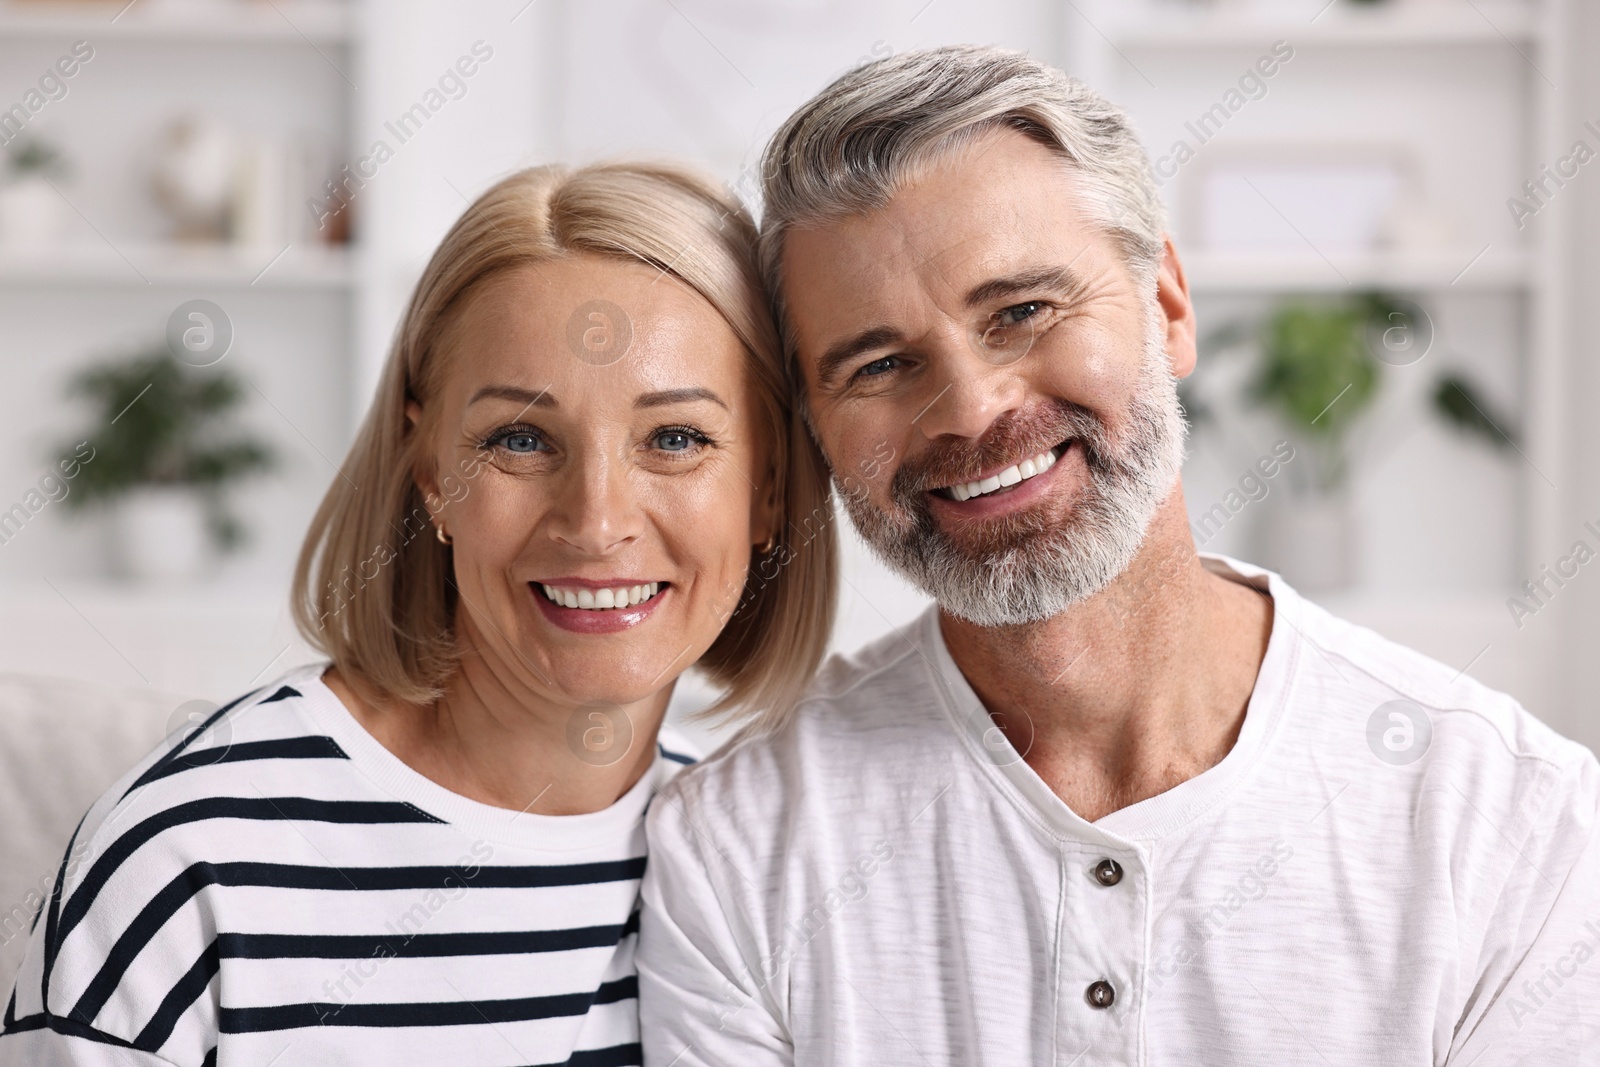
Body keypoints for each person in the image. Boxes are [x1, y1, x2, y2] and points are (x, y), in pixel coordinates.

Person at [637, 46, 1600, 1064]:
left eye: (1022, 311)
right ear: (816, 425)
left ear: (1167, 308)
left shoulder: (1508, 821)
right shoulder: (735, 845)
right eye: (879, 363)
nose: (970, 407)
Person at [0, 162, 835, 1066]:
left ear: (771, 489)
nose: (597, 523)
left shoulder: (760, 870)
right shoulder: (183, 863)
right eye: (519, 438)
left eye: (676, 438)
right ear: (431, 472)